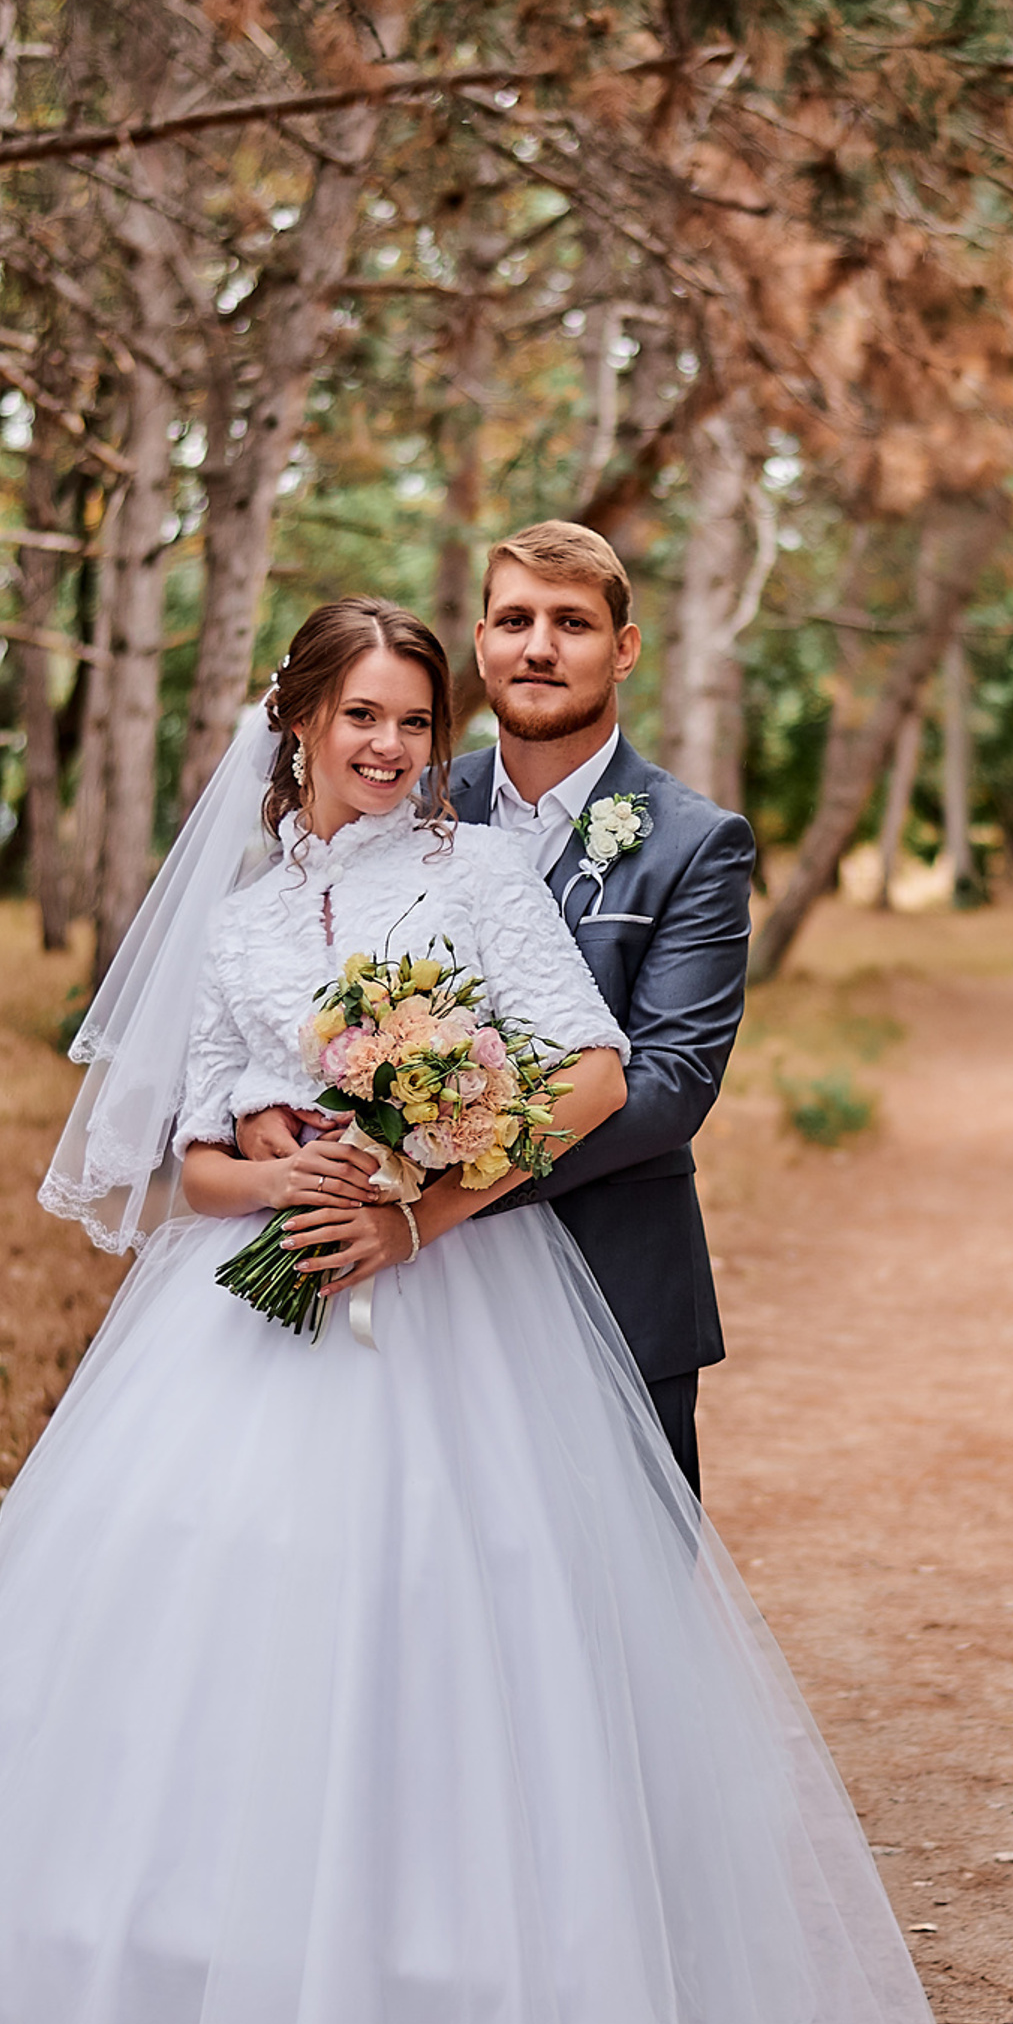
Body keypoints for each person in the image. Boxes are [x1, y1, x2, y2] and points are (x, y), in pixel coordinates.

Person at [0, 597, 938, 2024]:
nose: (396, 749)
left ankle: (455, 2019)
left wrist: (417, 1191)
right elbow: (183, 1164)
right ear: (303, 731)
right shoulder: (249, 920)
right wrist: (281, 1183)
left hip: (469, 1312)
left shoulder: (479, 875)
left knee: (457, 1628)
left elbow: (596, 1073)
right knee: (227, 1631)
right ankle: (198, 2008)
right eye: (366, 722)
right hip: (254, 1322)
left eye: (416, 720)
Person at [237, 521, 748, 1496]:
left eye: (572, 623)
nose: (539, 646)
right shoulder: (404, 798)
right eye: (515, 619)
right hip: (411, 1311)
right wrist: (273, 1121)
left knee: (619, 1611)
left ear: (623, 648)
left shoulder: (693, 842)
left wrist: (427, 1184)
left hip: (612, 1281)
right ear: (480, 644)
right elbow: (296, 980)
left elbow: (668, 1088)